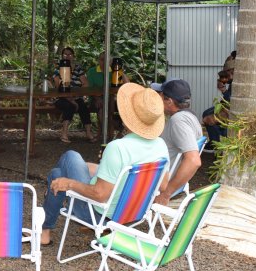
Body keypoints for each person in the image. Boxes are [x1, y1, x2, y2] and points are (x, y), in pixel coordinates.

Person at [40, 83, 168, 245]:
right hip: (133, 213)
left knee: (66, 162)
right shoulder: (160, 146)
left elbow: (100, 195)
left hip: (99, 214)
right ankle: (45, 229)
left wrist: (69, 183)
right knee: (59, 174)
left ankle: (46, 220)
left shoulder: (118, 148)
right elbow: (162, 185)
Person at [151, 79, 202, 204]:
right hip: (167, 177)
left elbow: (194, 161)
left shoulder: (178, 121)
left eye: (160, 95)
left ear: (169, 101)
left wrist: (166, 194)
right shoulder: (190, 116)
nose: (158, 98)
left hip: (158, 183)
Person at [52, 47, 95, 143]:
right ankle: (64, 134)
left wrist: (76, 95)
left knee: (84, 107)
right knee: (69, 106)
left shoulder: (78, 68)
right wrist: (67, 72)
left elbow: (85, 83)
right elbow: (58, 86)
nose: (67, 56)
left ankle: (88, 133)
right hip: (61, 98)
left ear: (73, 56)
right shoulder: (57, 69)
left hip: (76, 97)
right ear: (62, 56)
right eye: (65, 54)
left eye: (69, 54)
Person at [86, 51, 130, 131]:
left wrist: (119, 70)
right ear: (98, 60)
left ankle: (113, 131)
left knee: (119, 102)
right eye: (102, 60)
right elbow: (90, 89)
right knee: (102, 108)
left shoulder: (114, 71)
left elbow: (127, 84)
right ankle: (108, 131)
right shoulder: (92, 71)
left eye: (107, 60)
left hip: (111, 98)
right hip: (96, 98)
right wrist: (97, 98)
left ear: (110, 62)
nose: (104, 62)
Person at [201, 69, 232, 152]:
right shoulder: (231, 82)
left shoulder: (235, 82)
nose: (222, 79)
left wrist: (223, 90)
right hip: (225, 106)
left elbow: (229, 100)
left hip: (230, 110)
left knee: (209, 119)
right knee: (206, 113)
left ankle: (215, 143)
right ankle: (214, 140)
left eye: (224, 77)